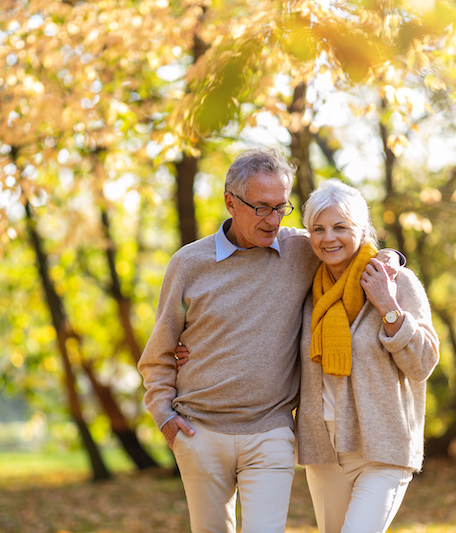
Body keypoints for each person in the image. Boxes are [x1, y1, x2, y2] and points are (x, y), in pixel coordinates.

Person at [137, 149, 402, 533]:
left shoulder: (299, 249)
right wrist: (164, 416)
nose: (273, 220)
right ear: (231, 201)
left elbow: (351, 246)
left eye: (281, 207)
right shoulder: (188, 264)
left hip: (271, 430)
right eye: (262, 207)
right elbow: (159, 351)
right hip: (199, 431)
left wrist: (392, 257)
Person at [297, 179, 440, 533]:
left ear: (362, 230)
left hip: (383, 448)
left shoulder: (397, 281)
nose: (329, 237)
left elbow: (422, 364)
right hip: (324, 449)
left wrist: (389, 307)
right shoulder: (307, 287)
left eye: (340, 227)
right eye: (319, 228)